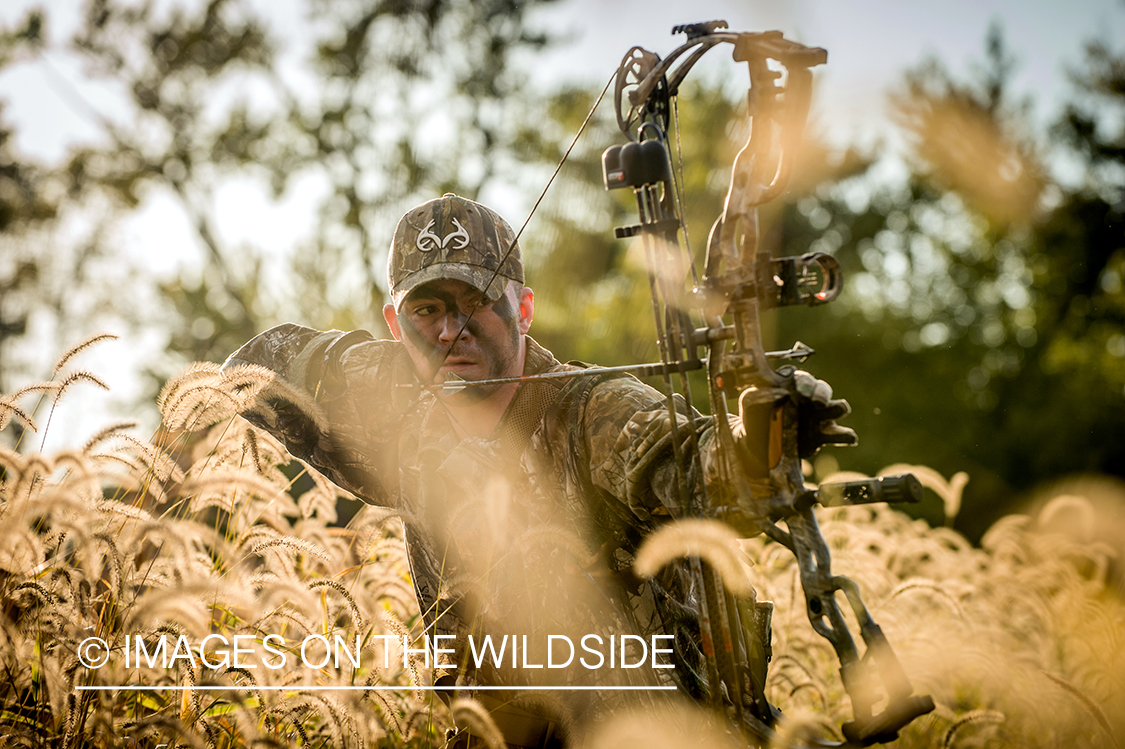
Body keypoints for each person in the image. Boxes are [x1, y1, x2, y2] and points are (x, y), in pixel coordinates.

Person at [223, 193, 850, 746]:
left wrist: (761, 436)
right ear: (394, 323)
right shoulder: (394, 401)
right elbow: (255, 365)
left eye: (477, 303)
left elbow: (705, 470)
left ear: (523, 309)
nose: (451, 331)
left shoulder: (594, 412)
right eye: (426, 310)